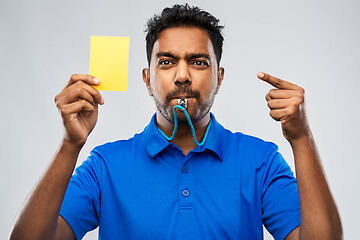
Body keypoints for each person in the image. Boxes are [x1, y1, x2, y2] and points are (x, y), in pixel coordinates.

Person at [10, 4, 342, 240]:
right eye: (167, 62)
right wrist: (71, 145)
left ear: (219, 76)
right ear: (147, 78)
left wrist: (301, 138)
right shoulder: (105, 166)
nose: (182, 76)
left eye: (198, 62)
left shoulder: (260, 162)